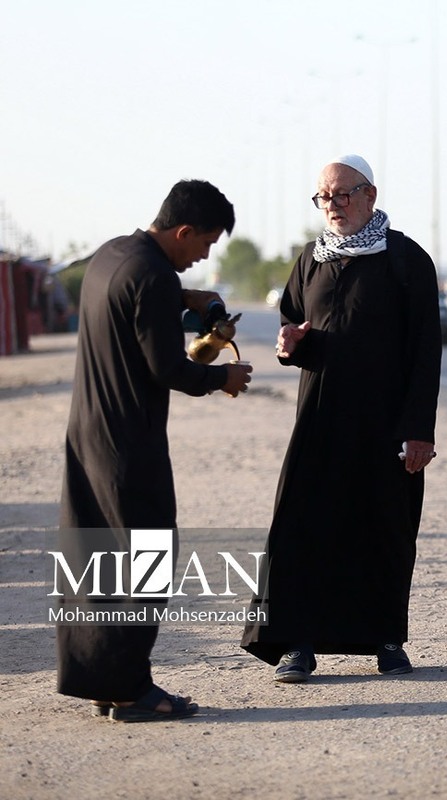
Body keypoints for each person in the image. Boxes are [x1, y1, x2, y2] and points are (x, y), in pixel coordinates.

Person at [241, 154, 442, 682]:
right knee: (303, 529)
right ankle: (297, 643)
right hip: (320, 420)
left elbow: (425, 353)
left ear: (370, 195)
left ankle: (387, 640)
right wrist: (289, 346)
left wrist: (419, 430)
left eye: (342, 194)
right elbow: (294, 326)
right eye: (324, 197)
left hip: (387, 425)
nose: (332, 205)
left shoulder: (406, 260)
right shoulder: (311, 259)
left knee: (385, 530)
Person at [57, 179, 248, 721]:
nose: (204, 256)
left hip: (88, 433)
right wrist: (224, 377)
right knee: (146, 554)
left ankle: (102, 681)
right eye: (204, 243)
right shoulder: (155, 276)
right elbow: (168, 369)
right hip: (129, 441)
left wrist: (185, 300)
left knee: (97, 558)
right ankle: (133, 691)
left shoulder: (111, 255)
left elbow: (133, 311)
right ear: (183, 231)